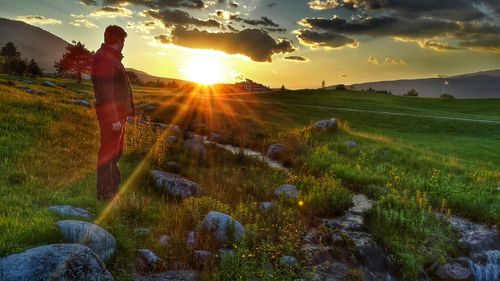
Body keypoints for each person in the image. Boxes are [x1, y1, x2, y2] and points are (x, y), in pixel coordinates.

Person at [91, 25, 135, 201]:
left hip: (118, 116)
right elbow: (105, 91)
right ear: (118, 40)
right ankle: (105, 193)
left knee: (115, 153)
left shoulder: (111, 58)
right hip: (113, 117)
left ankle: (113, 189)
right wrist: (114, 118)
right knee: (108, 153)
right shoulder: (105, 59)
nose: (123, 44)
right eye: (123, 40)